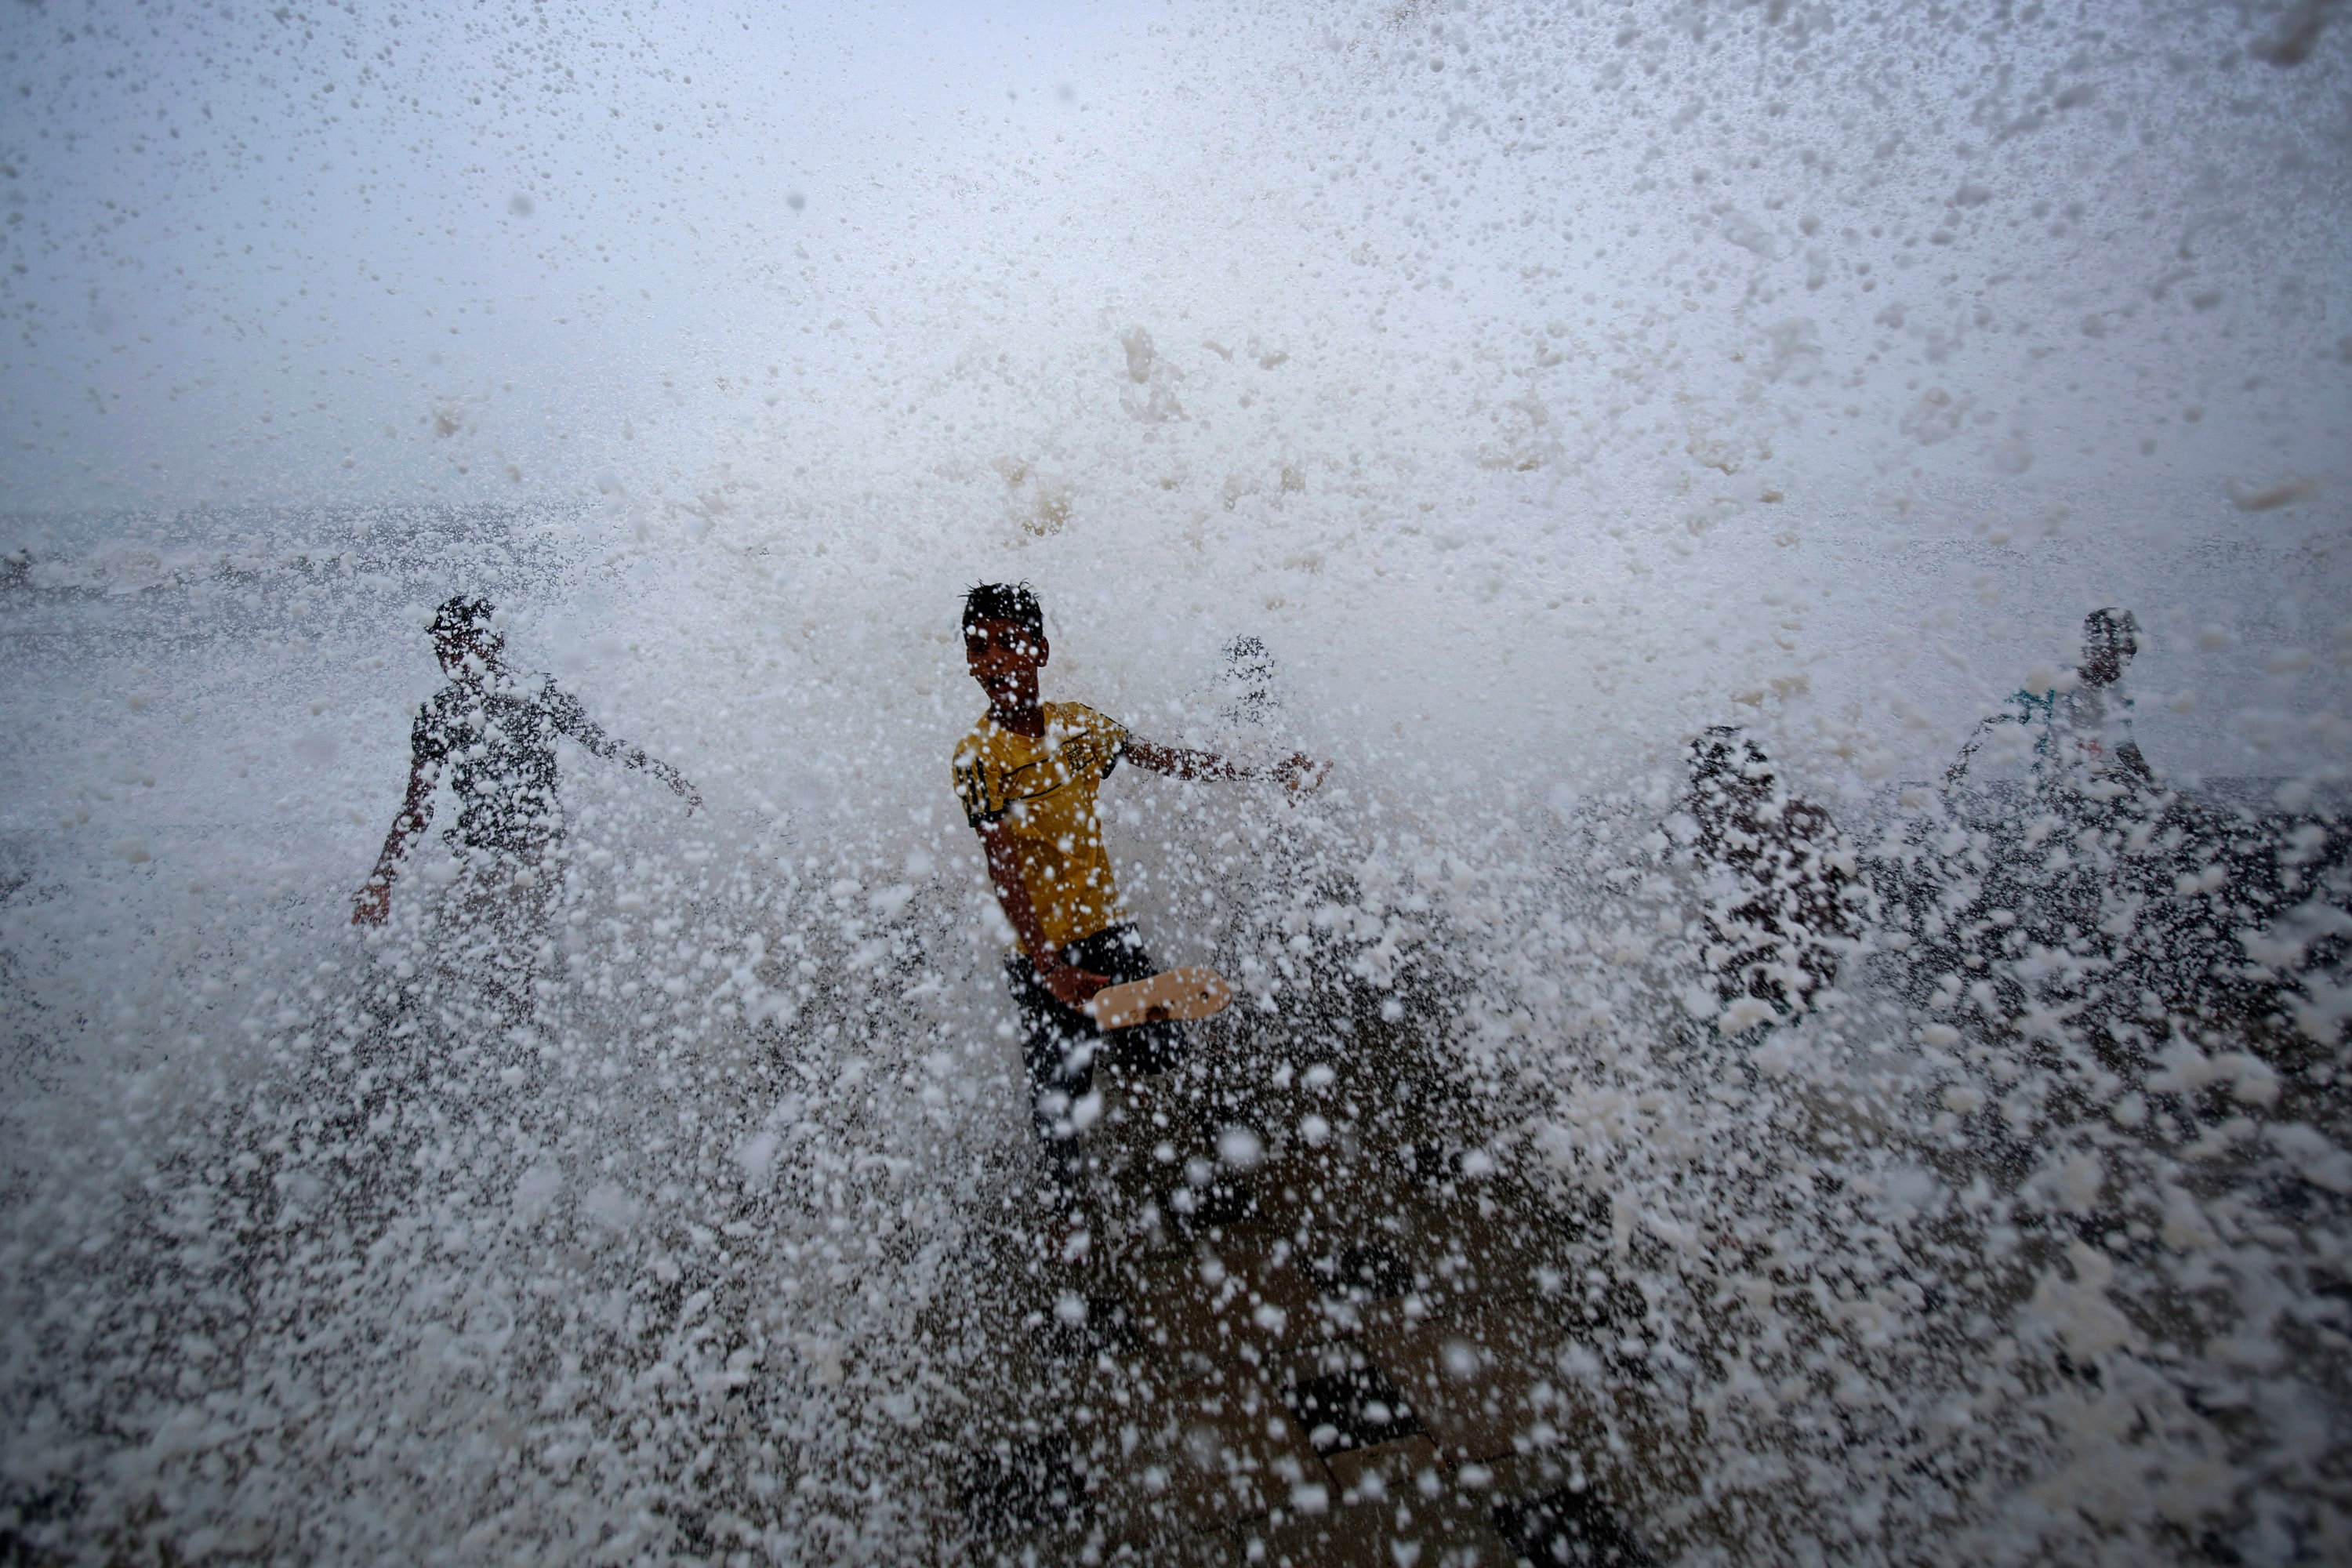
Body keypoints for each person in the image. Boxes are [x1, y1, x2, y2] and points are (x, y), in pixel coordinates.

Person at [951, 583, 1321, 1184]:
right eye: (979, 648)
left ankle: (1103, 1040)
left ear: (1040, 650)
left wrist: (1264, 771)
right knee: (1058, 1104)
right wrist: (1049, 968)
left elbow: (1169, 760)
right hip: (1041, 954)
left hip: (1107, 932)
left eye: (1007, 643)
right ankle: (1061, 1212)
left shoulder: (1078, 727)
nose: (992, 661)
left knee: (1159, 1053)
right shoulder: (978, 756)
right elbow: (1004, 869)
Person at [352, 596, 699, 1011]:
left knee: (519, 964)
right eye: (443, 648)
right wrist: (382, 880)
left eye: (460, 644)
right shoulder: (436, 714)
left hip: (538, 853)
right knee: (450, 962)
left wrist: (668, 776)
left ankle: (535, 1023)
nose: (450, 657)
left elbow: (602, 744)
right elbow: (418, 808)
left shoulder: (537, 692)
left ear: (493, 642)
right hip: (473, 856)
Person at [1685, 727, 1860, 1020]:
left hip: (1740, 978)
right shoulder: (1811, 813)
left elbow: (1646, 860)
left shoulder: (1709, 806)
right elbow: (1848, 896)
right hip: (1810, 977)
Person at [1947, 608, 2151, 790]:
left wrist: (2156, 785)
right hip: (2056, 782)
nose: (2121, 665)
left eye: (2129, 656)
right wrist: (1961, 763)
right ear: (2090, 647)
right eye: (2115, 655)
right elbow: (1996, 721)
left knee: (2129, 790)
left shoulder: (2121, 693)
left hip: (2105, 778)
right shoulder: (2053, 681)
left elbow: (2124, 747)